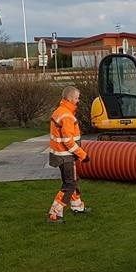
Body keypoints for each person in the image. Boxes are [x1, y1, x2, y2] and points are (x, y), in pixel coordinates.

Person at [47, 86, 90, 223]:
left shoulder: (60, 111)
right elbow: (68, 141)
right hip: (65, 155)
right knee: (70, 184)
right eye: (77, 98)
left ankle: (77, 207)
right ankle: (54, 214)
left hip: (60, 154)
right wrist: (83, 155)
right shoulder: (66, 115)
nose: (78, 100)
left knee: (73, 180)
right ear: (70, 98)